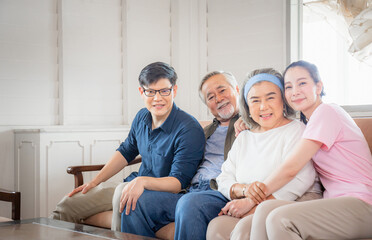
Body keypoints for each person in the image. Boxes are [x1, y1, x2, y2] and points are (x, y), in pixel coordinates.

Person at [50, 62, 205, 231]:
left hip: (161, 196)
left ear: (174, 90)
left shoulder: (189, 129)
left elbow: (178, 182)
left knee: (121, 196)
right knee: (68, 204)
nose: (157, 98)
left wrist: (142, 181)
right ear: (142, 92)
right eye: (151, 92)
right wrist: (95, 182)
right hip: (131, 185)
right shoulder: (141, 117)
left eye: (164, 91)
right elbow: (126, 151)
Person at [174, 68, 319, 240]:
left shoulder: (296, 130)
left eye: (270, 97)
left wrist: (254, 205)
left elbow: (300, 180)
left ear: (283, 100)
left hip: (288, 204)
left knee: (243, 229)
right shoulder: (244, 137)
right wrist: (244, 190)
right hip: (250, 203)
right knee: (216, 227)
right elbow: (223, 179)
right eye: (255, 100)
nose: (263, 107)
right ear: (247, 107)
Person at [245, 60, 372, 240]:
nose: (295, 91)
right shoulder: (309, 123)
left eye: (302, 83)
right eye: (288, 87)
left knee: (280, 219)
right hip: (336, 203)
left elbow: (291, 168)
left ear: (318, 87)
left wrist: (251, 199)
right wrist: (245, 123)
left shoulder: (326, 112)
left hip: (362, 204)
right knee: (265, 209)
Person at [118, 70, 240, 238]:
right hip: (190, 191)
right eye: (210, 97)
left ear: (237, 90)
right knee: (134, 202)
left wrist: (246, 119)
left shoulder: (249, 126)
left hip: (220, 192)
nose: (218, 99)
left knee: (189, 204)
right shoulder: (203, 132)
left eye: (222, 90)